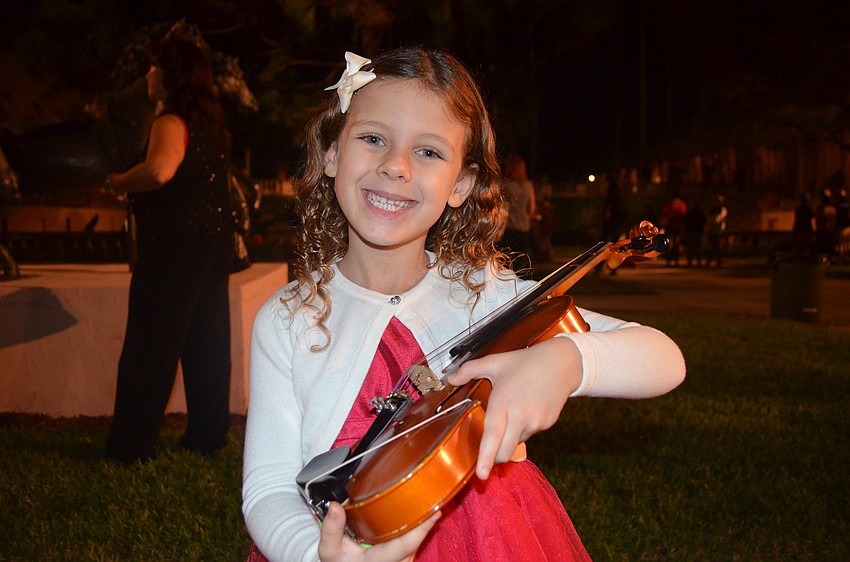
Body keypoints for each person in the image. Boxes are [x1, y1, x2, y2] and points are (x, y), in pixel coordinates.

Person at [241, 47, 686, 562]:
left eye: (428, 152)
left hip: (492, 539)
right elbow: (269, 488)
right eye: (372, 139)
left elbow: (665, 358)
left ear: (462, 185)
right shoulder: (289, 316)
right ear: (331, 154)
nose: (395, 166)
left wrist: (566, 361)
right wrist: (315, 555)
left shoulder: (484, 296)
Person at [104, 38, 235, 464]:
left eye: (154, 68)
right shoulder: (212, 121)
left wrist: (118, 181)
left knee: (149, 346)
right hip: (212, 243)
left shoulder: (170, 120)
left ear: (171, 75)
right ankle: (208, 436)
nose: (148, 76)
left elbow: (160, 170)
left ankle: (129, 446)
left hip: (174, 245)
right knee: (206, 342)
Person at [498, 153, 536, 269]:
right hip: (524, 226)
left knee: (507, 260)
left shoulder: (506, 185)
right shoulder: (528, 185)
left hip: (509, 226)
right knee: (521, 260)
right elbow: (532, 208)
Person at [660, 191, 687, 266]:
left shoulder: (669, 205)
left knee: (669, 244)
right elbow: (683, 216)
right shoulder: (682, 205)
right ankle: (675, 260)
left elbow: (665, 215)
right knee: (676, 244)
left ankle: (669, 261)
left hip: (670, 226)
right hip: (678, 227)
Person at [704, 194, 727, 268]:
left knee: (717, 247)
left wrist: (713, 218)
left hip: (718, 231)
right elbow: (708, 219)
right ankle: (709, 261)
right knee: (711, 247)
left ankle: (718, 261)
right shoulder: (713, 210)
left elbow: (718, 219)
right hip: (712, 231)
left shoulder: (723, 210)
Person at [682, 199, 706, 267]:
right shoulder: (697, 213)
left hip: (694, 232)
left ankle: (694, 261)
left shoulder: (693, 213)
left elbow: (686, 222)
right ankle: (695, 261)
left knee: (693, 247)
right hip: (694, 231)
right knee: (695, 247)